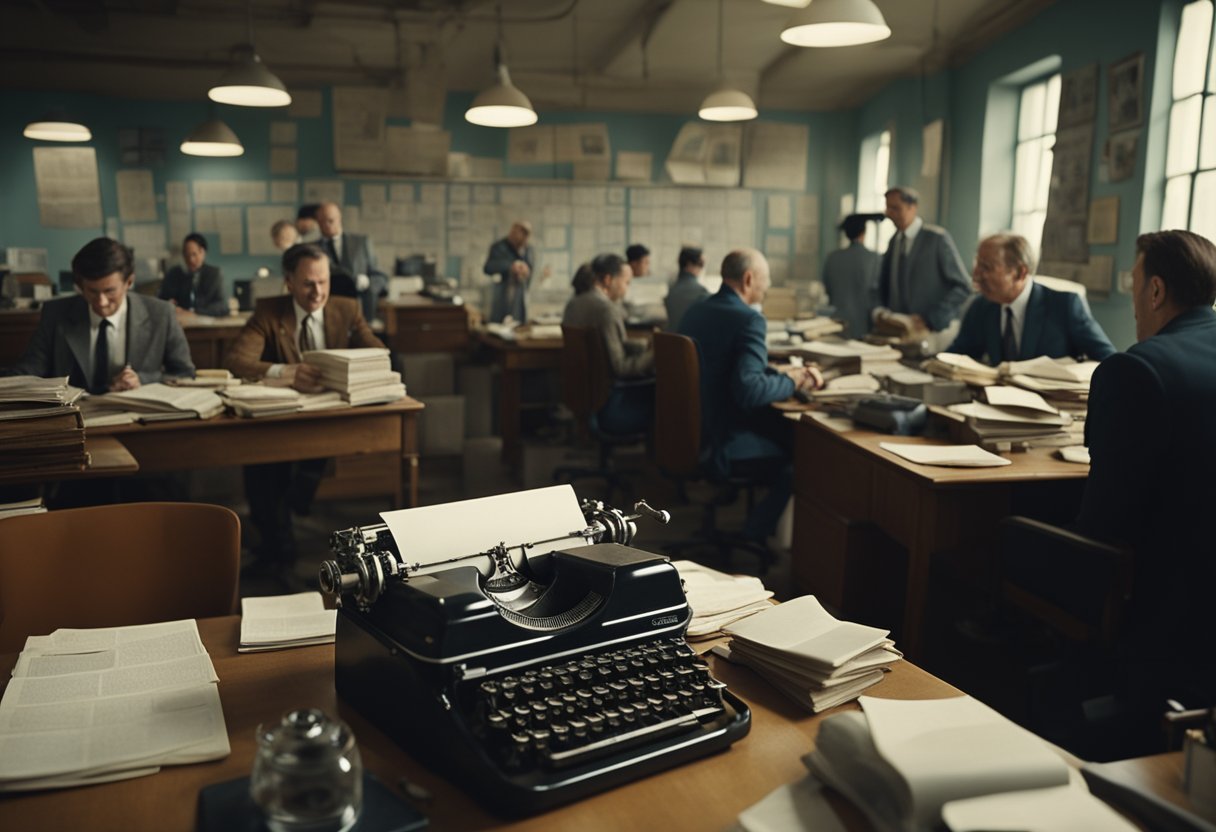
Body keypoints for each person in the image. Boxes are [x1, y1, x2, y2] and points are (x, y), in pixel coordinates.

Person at [224, 243, 387, 584]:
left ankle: (288, 528)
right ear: (289, 283)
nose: (318, 293)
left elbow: (378, 351)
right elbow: (238, 360)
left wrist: (361, 363)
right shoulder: (269, 312)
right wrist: (285, 371)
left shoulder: (346, 308)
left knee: (289, 470)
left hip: (335, 415)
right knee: (265, 467)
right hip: (287, 416)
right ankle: (278, 547)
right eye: (308, 284)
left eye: (324, 282)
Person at [679, 248, 823, 541]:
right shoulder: (749, 320)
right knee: (801, 461)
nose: (767, 287)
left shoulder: (696, 310)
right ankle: (753, 535)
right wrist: (794, 383)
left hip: (690, 433)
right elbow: (749, 391)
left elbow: (723, 368)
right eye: (766, 280)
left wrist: (782, 375)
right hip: (723, 439)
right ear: (748, 279)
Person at [3, 237, 194, 392]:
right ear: (80, 285)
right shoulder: (55, 314)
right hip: (75, 419)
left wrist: (142, 379)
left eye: (110, 291)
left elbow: (185, 373)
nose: (101, 302)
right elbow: (28, 373)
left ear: (129, 282)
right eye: (92, 291)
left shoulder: (160, 314)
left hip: (136, 422)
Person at [948, 233, 1115, 365]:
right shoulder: (981, 306)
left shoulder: (1065, 306)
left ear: (1020, 272)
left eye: (986, 267)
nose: (976, 274)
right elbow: (957, 354)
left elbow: (1109, 359)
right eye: (977, 265)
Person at [562, 253, 654, 436]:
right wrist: (654, 354)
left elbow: (605, 346)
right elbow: (620, 367)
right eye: (626, 283)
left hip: (586, 395)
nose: (626, 289)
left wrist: (641, 346)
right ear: (607, 280)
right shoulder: (607, 310)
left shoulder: (574, 303)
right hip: (611, 402)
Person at [876, 186, 971, 350]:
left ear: (912, 208)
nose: (889, 213)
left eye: (895, 208)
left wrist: (931, 319)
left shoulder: (937, 239)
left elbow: (963, 286)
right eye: (887, 208)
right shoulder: (894, 241)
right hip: (901, 335)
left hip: (932, 334)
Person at [316, 201, 389, 325]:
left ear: (339, 219)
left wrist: (368, 283)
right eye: (322, 221)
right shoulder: (311, 249)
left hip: (360, 313)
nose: (326, 225)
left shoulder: (361, 243)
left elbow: (380, 276)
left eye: (331, 220)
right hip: (325, 316)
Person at [821, 214, 881, 338]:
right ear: (864, 232)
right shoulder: (874, 259)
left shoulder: (832, 258)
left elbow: (828, 289)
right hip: (865, 325)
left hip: (837, 322)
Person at [159, 232, 228, 317]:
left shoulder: (214, 274)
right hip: (180, 322)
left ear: (202, 252)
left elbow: (222, 307)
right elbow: (162, 300)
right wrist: (169, 305)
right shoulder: (175, 274)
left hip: (204, 323)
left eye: (194, 254)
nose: (191, 260)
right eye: (187, 255)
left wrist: (194, 312)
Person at [483, 220, 535, 324]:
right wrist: (510, 266)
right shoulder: (499, 247)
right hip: (501, 293)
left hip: (520, 294)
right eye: (514, 233)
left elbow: (530, 269)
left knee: (519, 324)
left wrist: (526, 270)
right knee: (498, 324)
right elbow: (488, 268)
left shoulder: (528, 249)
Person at [665, 246, 708, 332]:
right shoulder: (701, 292)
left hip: (672, 340)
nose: (702, 268)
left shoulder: (671, 288)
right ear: (689, 264)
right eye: (701, 264)